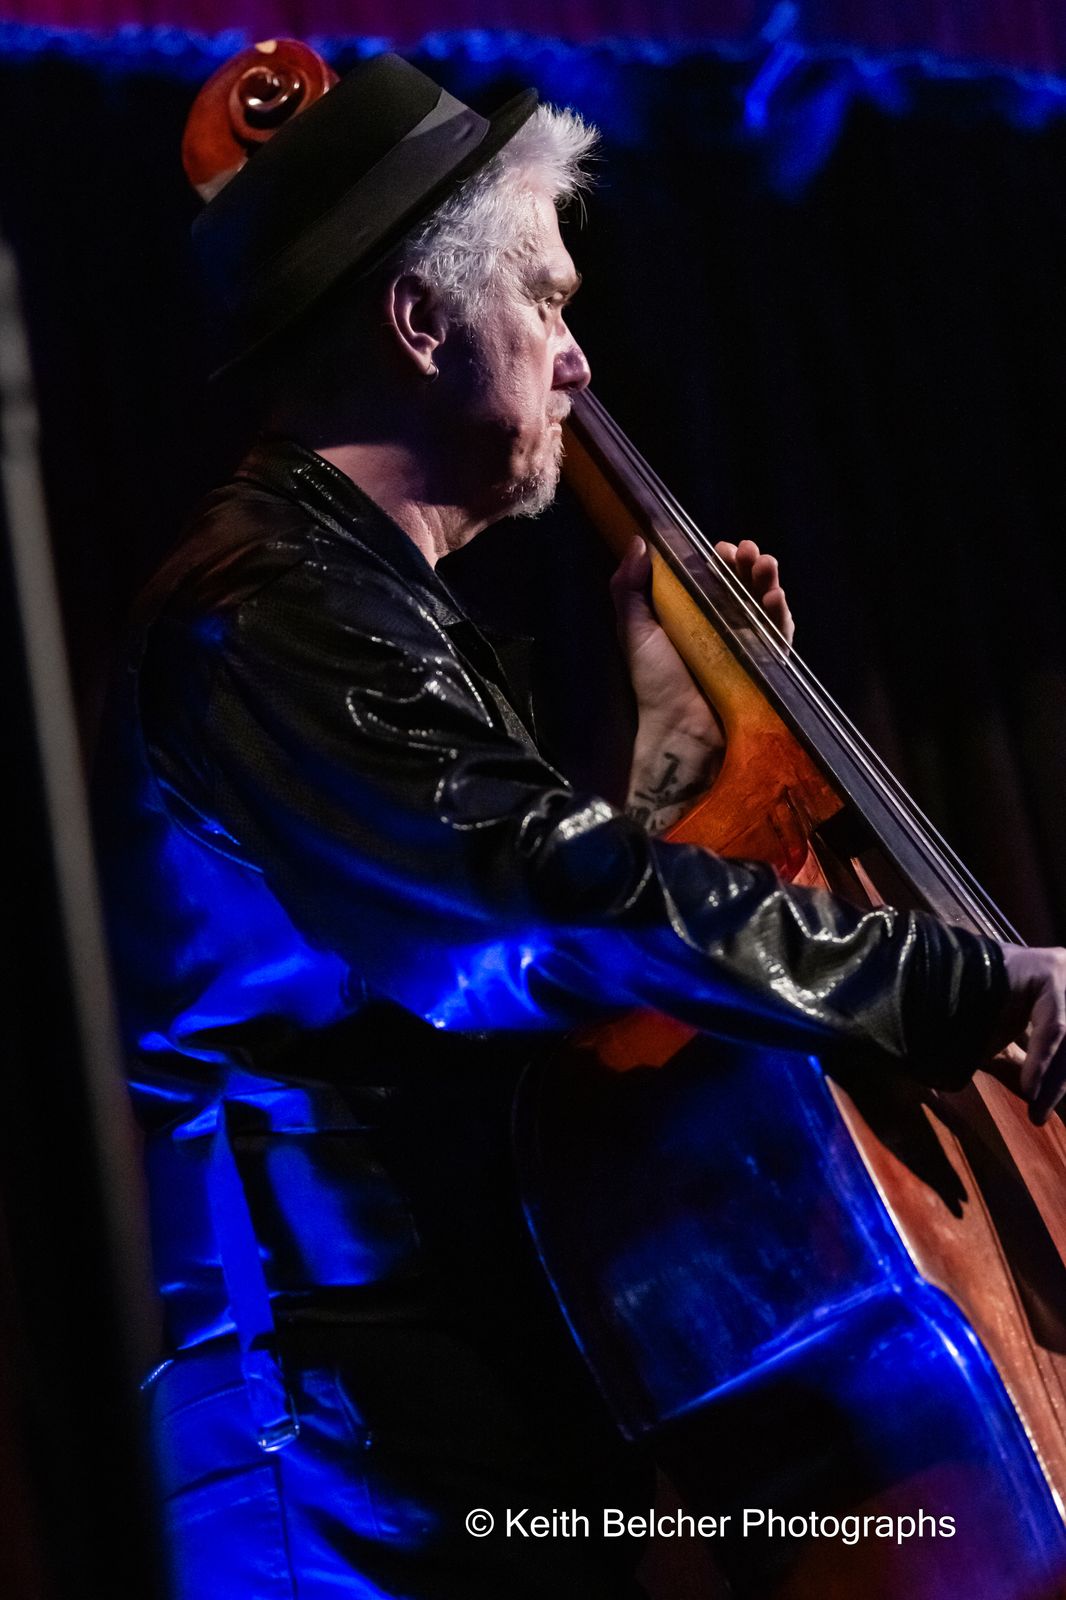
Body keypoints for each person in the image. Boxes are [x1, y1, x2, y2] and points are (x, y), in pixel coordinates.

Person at [93, 47, 1066, 1600]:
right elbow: (537, 902)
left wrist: (663, 777)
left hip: (445, 1436)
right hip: (329, 1465)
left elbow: (491, 961)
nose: (575, 360)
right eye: (543, 301)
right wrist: (961, 980)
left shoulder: (360, 610)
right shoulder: (270, 611)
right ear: (419, 323)